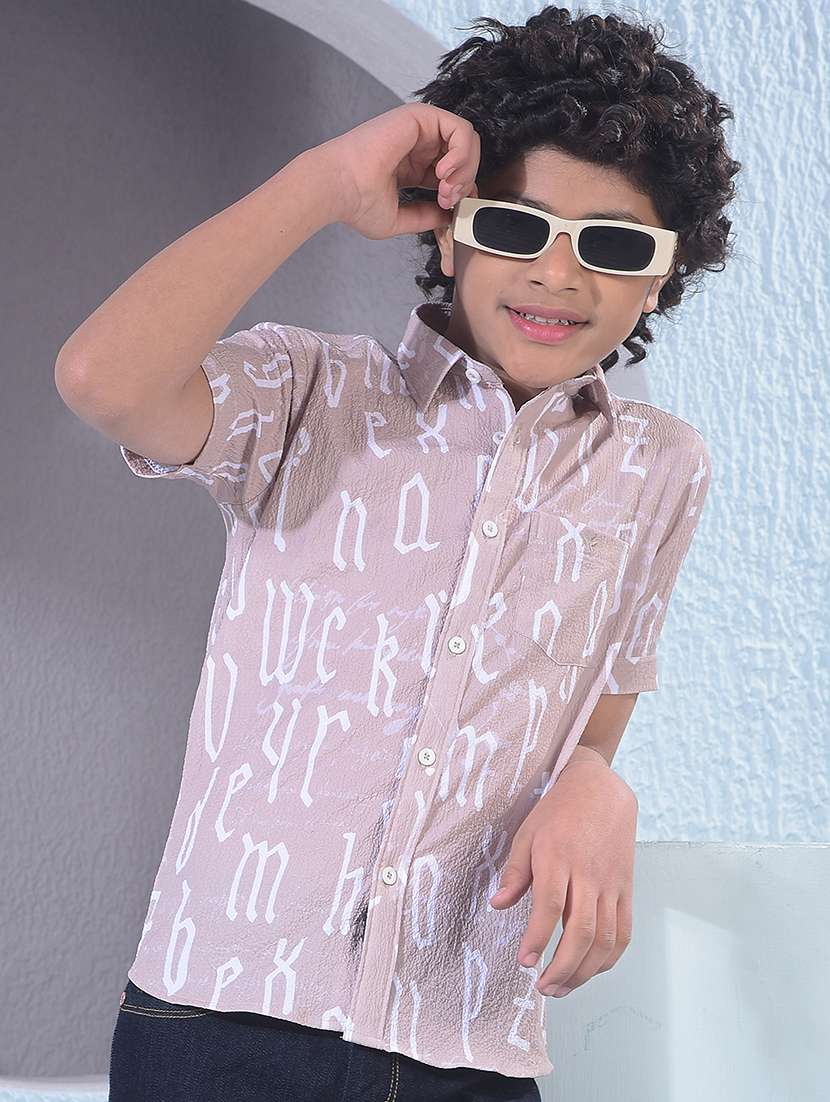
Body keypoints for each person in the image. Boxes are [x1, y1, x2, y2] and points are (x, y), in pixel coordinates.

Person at [55, 6, 740, 1100]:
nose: (558, 273)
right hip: (220, 1020)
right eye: (515, 226)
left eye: (613, 245)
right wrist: (323, 183)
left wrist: (598, 786)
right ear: (450, 230)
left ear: (660, 275)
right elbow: (105, 380)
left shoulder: (662, 469)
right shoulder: (311, 393)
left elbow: (598, 703)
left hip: (464, 1042)